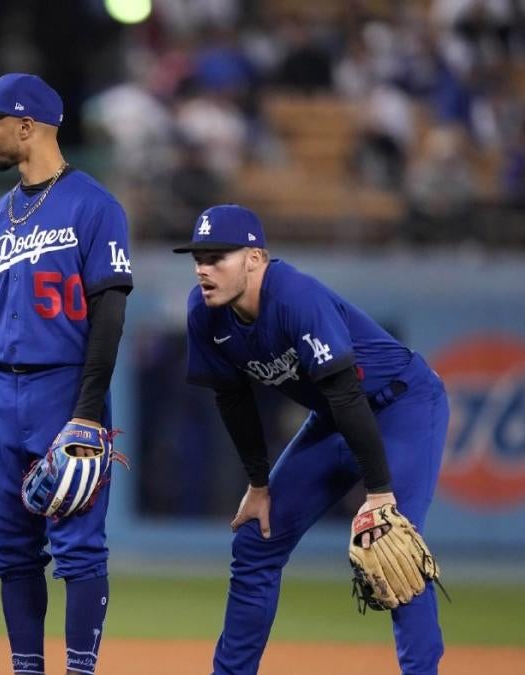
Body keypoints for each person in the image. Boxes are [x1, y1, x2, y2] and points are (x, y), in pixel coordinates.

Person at [172, 204, 449, 674]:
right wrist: (259, 486)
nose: (204, 268)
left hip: (401, 405)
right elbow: (232, 399)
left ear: (255, 258)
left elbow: (346, 393)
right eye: (198, 257)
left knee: (393, 548)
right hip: (333, 414)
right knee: (255, 544)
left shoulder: (295, 298)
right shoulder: (204, 312)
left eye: (218, 256)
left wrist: (379, 494)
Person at [0, 73, 134, 675]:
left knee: (77, 549)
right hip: (1, 398)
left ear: (27, 127)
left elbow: (110, 317)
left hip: (63, 390)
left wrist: (87, 412)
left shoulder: (95, 206)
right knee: (12, 552)